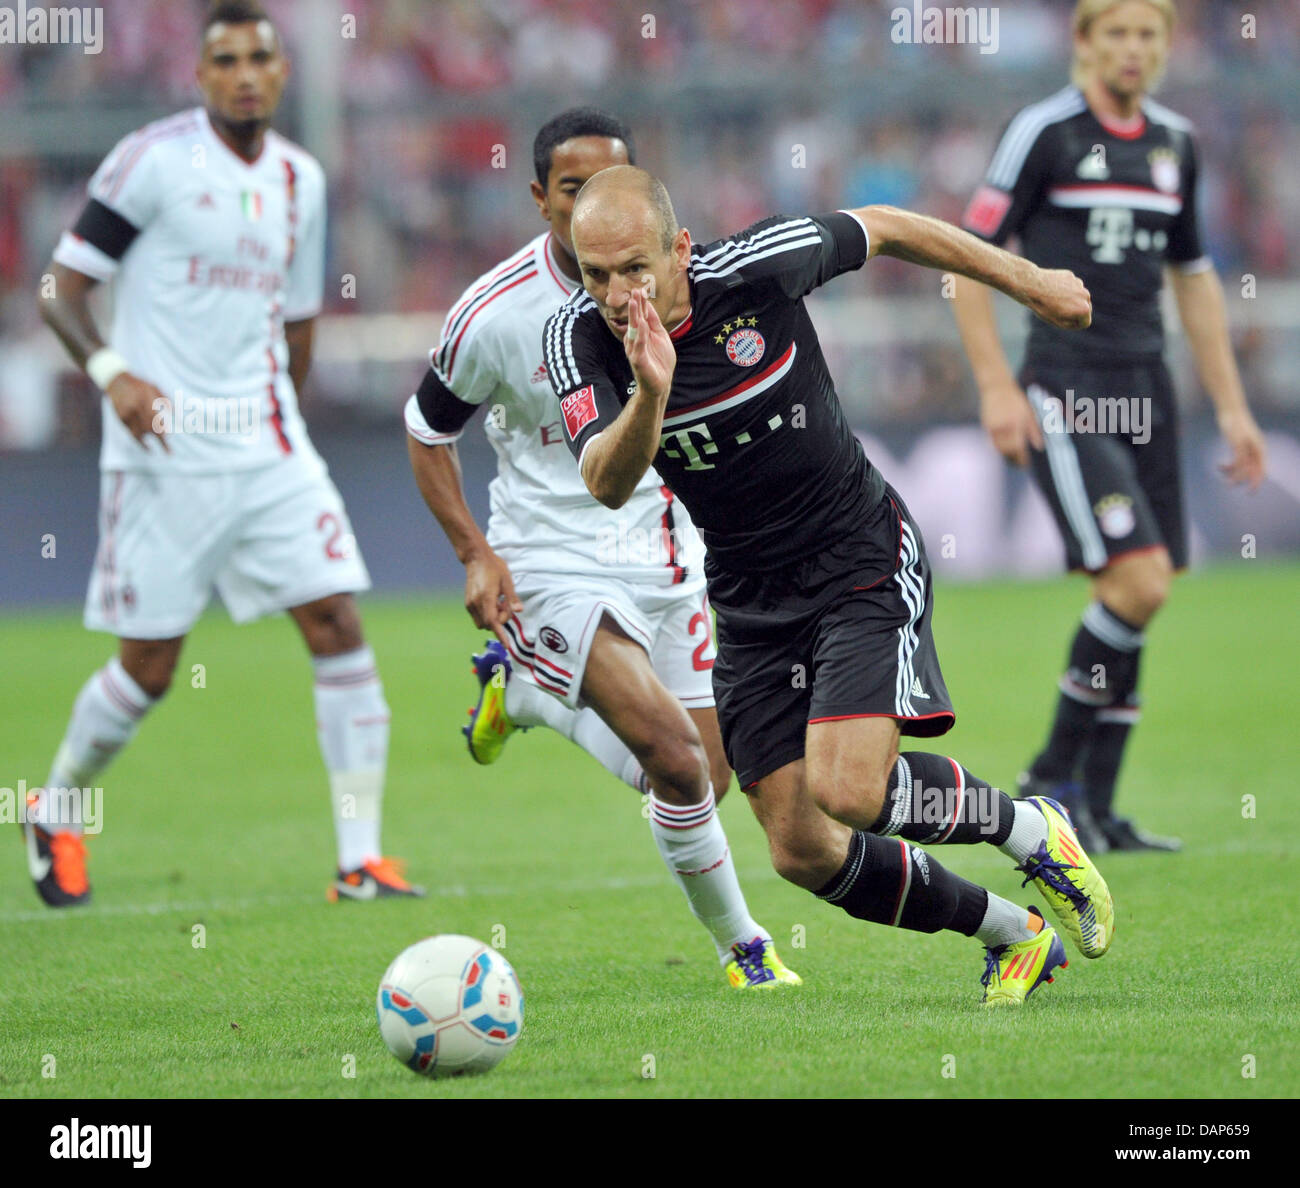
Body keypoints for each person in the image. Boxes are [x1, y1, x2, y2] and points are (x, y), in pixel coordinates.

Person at [544, 164, 1113, 1007]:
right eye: (595, 274)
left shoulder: (759, 265)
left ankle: (1031, 829)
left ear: (681, 249)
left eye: (636, 267)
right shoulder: (580, 341)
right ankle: (1014, 936)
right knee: (801, 848)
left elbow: (887, 225)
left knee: (848, 789)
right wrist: (651, 395)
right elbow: (604, 477)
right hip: (745, 595)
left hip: (856, 555)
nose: (617, 291)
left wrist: (1029, 282)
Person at [28, 1, 420, 906]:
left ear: (283, 74)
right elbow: (61, 285)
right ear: (200, 75)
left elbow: (300, 321)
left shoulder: (300, 181)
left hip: (269, 445)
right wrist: (115, 373)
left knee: (336, 621)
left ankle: (360, 857)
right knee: (150, 665)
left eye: (260, 58)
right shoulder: (154, 162)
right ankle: (56, 806)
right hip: (163, 455)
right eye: (225, 59)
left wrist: (280, 407)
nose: (245, 73)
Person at [405, 109, 798, 990]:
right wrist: (475, 553)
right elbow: (425, 431)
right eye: (572, 188)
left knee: (706, 772)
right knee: (671, 753)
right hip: (550, 558)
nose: (592, 204)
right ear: (541, 197)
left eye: (609, 184)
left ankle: (527, 698)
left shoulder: (671, 279)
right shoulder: (493, 312)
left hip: (665, 550)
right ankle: (746, 950)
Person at [950, 0, 1267, 852]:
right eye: (1116, 32)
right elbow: (966, 262)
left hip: (1149, 390)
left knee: (1134, 595)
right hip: (1065, 386)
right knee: (1140, 581)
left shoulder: (1176, 144)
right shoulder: (1043, 132)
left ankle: (1101, 804)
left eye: (1149, 34)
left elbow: (1195, 278)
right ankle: (1050, 780)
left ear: (1167, 47)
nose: (1133, 48)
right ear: (1084, 43)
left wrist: (1231, 407)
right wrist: (994, 387)